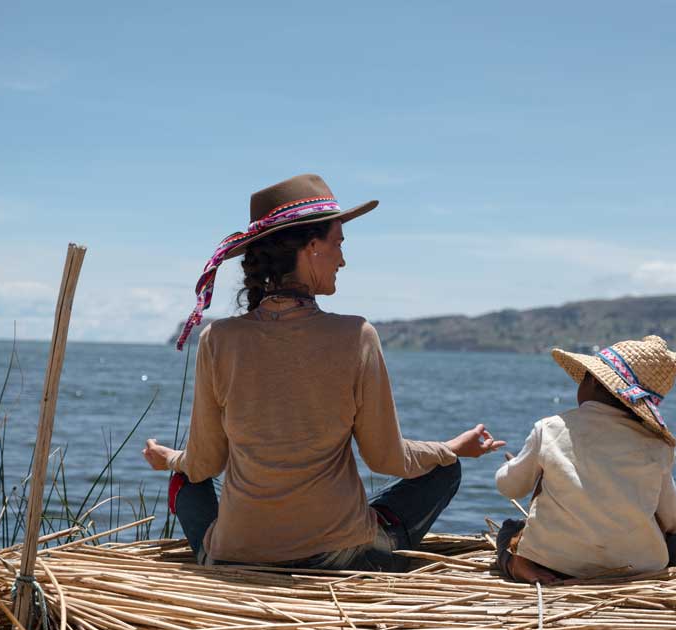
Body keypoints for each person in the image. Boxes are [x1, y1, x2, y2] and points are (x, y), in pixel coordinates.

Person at [142, 173, 505, 571]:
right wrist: (452, 449)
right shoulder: (357, 336)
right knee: (444, 471)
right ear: (312, 248)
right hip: (335, 556)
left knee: (186, 483)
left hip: (237, 554)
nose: (343, 259)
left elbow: (204, 464)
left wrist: (170, 460)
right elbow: (387, 458)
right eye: (338, 245)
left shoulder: (217, 339)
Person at [494, 335, 676, 584]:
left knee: (509, 529)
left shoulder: (550, 428)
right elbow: (670, 518)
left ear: (593, 382)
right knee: (672, 534)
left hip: (555, 561)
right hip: (636, 566)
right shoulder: (657, 445)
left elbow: (510, 487)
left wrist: (507, 468)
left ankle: (517, 564)